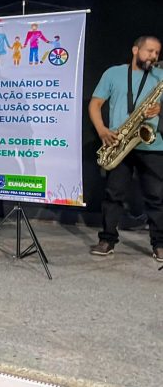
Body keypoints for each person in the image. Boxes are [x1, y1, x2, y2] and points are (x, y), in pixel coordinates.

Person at [89, 35, 163, 262]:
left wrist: (159, 108)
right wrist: (102, 130)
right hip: (119, 143)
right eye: (149, 51)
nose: (153, 56)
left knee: (156, 197)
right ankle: (107, 239)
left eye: (157, 53)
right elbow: (95, 103)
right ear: (134, 50)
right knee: (113, 195)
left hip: (152, 144)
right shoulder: (114, 73)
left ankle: (159, 244)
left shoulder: (161, 77)